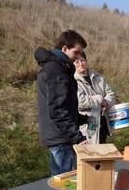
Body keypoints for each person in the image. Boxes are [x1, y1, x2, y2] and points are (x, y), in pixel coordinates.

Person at [35, 29, 88, 176]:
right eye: (76, 52)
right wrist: (77, 137)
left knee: (62, 182)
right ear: (64, 48)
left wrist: (81, 118)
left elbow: (63, 104)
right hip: (60, 137)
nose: (78, 57)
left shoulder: (59, 67)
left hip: (60, 134)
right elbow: (58, 109)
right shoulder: (57, 70)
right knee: (65, 184)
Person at [74, 52, 116, 143]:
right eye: (77, 61)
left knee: (102, 153)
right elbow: (79, 102)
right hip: (88, 125)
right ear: (73, 63)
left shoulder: (99, 77)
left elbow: (111, 94)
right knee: (90, 152)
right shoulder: (73, 81)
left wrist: (106, 102)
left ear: (86, 61)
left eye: (82, 60)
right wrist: (100, 100)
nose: (80, 63)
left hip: (103, 123)